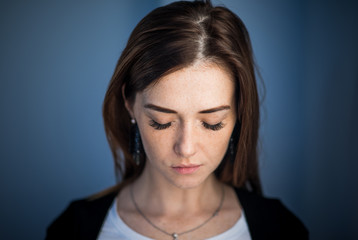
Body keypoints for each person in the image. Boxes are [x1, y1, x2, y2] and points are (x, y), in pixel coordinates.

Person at [46, 0, 308, 239]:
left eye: (212, 122)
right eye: (161, 121)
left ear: (240, 110)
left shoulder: (280, 228)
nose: (186, 148)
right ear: (129, 103)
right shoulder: (74, 228)